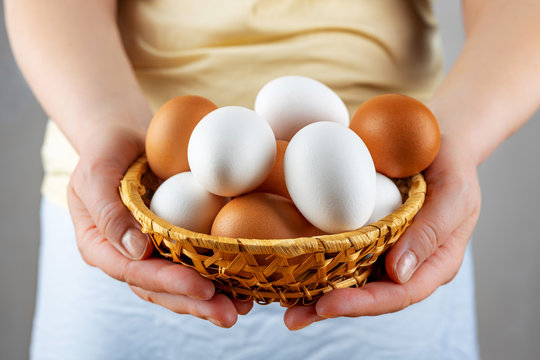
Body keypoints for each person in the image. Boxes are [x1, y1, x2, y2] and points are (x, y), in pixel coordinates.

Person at [5, 0, 540, 359]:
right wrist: (104, 127)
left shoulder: (362, 191)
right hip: (135, 221)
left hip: (382, 239)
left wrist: (455, 139)